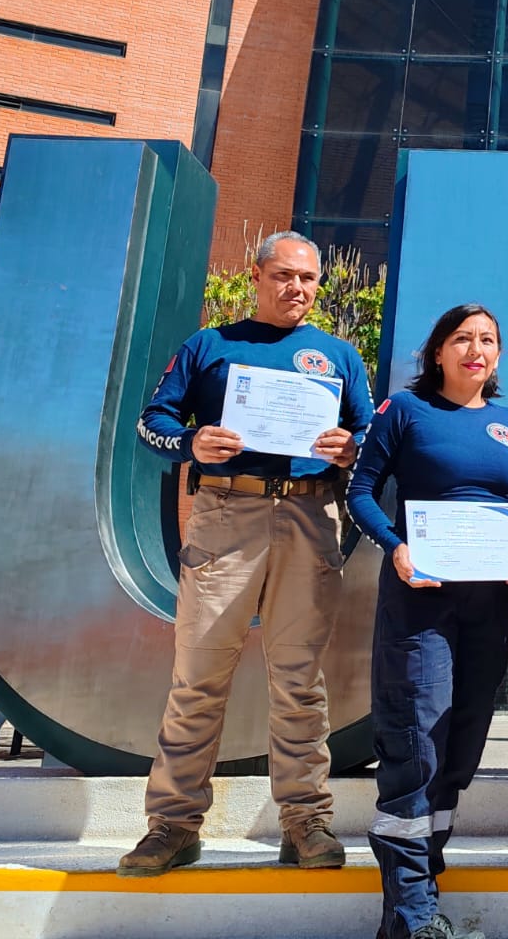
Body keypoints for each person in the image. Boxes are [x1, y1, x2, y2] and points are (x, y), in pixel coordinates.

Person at [121, 232, 373, 876]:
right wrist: (192, 443)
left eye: (309, 279)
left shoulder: (338, 355)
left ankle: (305, 822)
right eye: (285, 275)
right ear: (256, 276)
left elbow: (370, 435)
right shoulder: (209, 345)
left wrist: (352, 448)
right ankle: (173, 825)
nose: (298, 288)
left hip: (311, 515)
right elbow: (152, 422)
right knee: (198, 676)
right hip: (226, 514)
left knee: (300, 680)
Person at [346, 303, 508, 939]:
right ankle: (413, 913)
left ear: (498, 355)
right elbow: (359, 492)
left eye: (487, 340)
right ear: (438, 352)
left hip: (488, 606)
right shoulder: (405, 411)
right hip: (421, 602)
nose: (475, 349)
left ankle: (415, 908)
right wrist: (395, 546)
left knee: (462, 744)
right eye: (462, 338)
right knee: (416, 741)